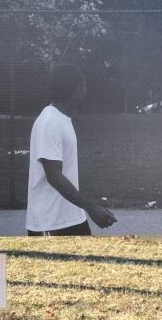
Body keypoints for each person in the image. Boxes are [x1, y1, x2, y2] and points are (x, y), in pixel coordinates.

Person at [26, 65, 117, 236]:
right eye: (83, 87)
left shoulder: (62, 119)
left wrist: (87, 208)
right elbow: (53, 175)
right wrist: (90, 207)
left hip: (73, 218)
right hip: (51, 223)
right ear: (73, 90)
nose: (85, 92)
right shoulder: (49, 121)